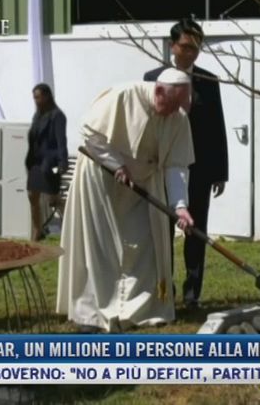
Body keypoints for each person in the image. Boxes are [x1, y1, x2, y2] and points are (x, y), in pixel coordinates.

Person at [56, 68, 195, 333]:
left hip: (145, 183)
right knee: (101, 248)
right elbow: (91, 134)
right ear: (158, 91)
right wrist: (116, 165)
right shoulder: (124, 95)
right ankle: (93, 313)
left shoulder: (178, 117)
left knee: (145, 245)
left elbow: (176, 165)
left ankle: (137, 309)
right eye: (171, 105)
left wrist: (180, 205)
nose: (172, 113)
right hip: (103, 178)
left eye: (179, 106)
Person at [144, 19, 229, 309]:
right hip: (163, 168)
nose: (191, 52)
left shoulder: (208, 81)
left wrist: (220, 171)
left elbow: (217, 127)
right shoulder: (152, 78)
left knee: (196, 231)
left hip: (199, 169)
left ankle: (192, 294)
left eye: (196, 47)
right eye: (186, 46)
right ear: (172, 46)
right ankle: (164, 291)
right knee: (163, 232)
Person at [24, 83, 68, 241]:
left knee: (53, 200)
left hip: (50, 163)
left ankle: (71, 225)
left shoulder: (58, 116)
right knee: (32, 195)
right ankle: (38, 230)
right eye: (34, 98)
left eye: (38, 97)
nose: (35, 100)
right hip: (36, 163)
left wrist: (63, 163)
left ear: (47, 96)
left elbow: (61, 141)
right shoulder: (37, 116)